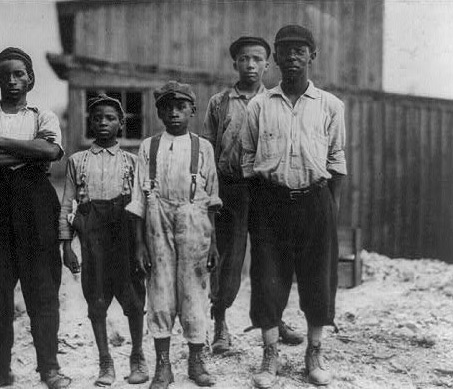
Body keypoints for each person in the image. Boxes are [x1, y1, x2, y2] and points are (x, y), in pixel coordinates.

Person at [0, 47, 70, 389]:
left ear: (31, 78)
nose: (12, 80)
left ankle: (49, 368)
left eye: (19, 74)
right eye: (5, 75)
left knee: (43, 289)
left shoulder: (43, 116)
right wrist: (26, 153)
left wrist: (2, 143)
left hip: (36, 202)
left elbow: (50, 151)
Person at [240, 25, 347, 388]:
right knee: (268, 279)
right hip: (271, 202)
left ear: (312, 56)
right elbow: (247, 158)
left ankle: (314, 353)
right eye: (284, 50)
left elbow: (337, 159)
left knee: (318, 279)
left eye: (299, 50)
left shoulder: (331, 105)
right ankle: (269, 357)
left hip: (315, 200)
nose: (291, 57)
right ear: (276, 57)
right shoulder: (259, 105)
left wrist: (330, 208)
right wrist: (259, 206)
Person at [202, 36, 303, 355]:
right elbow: (207, 149)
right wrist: (211, 191)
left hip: (266, 189)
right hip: (230, 188)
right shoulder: (220, 101)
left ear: (267, 64)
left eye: (257, 59)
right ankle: (220, 323)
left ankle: (275, 319)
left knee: (270, 257)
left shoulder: (276, 100)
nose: (250, 65)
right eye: (244, 59)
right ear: (235, 63)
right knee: (229, 258)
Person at [126, 81, 221, 389]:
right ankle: (163, 367)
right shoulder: (148, 146)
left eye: (181, 107)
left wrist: (213, 244)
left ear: (192, 110)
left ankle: (196, 362)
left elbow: (212, 199)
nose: (174, 113)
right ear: (159, 112)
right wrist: (140, 245)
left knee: (194, 292)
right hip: (157, 219)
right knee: (160, 291)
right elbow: (139, 199)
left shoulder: (202, 147)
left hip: (194, 219)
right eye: (168, 107)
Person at [59, 94, 148, 387]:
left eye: (110, 118)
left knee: (133, 298)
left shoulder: (132, 162)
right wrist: (66, 244)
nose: (103, 123)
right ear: (90, 123)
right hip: (92, 236)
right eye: (97, 118)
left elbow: (140, 206)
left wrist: (141, 246)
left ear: (121, 123)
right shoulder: (77, 161)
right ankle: (105, 362)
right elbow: (68, 205)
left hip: (124, 233)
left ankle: (137, 355)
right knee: (96, 299)